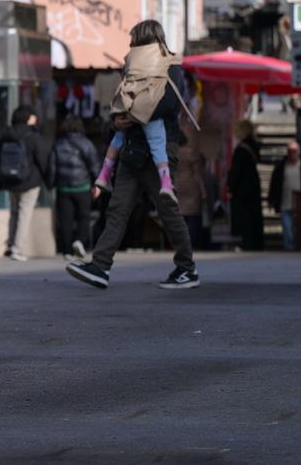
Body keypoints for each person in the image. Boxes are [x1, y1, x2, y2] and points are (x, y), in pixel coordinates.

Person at [66, 20, 197, 290]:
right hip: (131, 148)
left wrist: (131, 116)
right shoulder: (131, 69)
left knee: (167, 210)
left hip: (158, 150)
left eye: (134, 39)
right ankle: (100, 266)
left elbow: (167, 105)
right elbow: (120, 101)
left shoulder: (171, 68)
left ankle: (186, 268)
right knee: (117, 209)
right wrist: (116, 122)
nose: (131, 45)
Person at [91, 22, 183, 204]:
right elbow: (169, 104)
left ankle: (103, 176)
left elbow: (122, 92)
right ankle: (166, 183)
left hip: (130, 128)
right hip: (147, 130)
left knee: (116, 142)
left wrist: (121, 117)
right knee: (158, 148)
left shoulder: (131, 62)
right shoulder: (169, 64)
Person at [0, 108, 48, 261]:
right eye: (32, 116)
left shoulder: (6, 134)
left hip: (10, 181)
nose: (35, 118)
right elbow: (43, 160)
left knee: (14, 213)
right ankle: (17, 248)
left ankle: (10, 245)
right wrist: (48, 181)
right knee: (24, 214)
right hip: (29, 182)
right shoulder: (34, 136)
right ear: (27, 118)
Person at [50, 115, 98, 259]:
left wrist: (51, 184)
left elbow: (52, 167)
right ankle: (80, 241)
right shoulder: (87, 144)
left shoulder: (58, 144)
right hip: (82, 186)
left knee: (66, 219)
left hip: (63, 187)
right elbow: (94, 166)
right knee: (84, 216)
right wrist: (98, 184)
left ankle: (67, 251)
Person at [267, 140, 301, 251]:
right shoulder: (281, 167)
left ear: (299, 152)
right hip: (285, 203)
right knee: (288, 229)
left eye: (294, 151)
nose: (292, 153)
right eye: (290, 151)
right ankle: (289, 249)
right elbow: (274, 184)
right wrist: (271, 199)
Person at [227, 119, 265, 252]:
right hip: (253, 185)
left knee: (245, 217)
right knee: (254, 215)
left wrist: (230, 186)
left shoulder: (241, 149)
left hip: (242, 188)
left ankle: (247, 242)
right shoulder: (254, 145)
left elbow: (236, 170)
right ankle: (256, 242)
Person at [174, 121, 209, 253]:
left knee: (181, 215)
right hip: (191, 185)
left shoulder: (171, 153)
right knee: (193, 215)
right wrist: (203, 191)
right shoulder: (191, 152)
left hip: (177, 185)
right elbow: (197, 174)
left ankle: (181, 243)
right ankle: (193, 242)